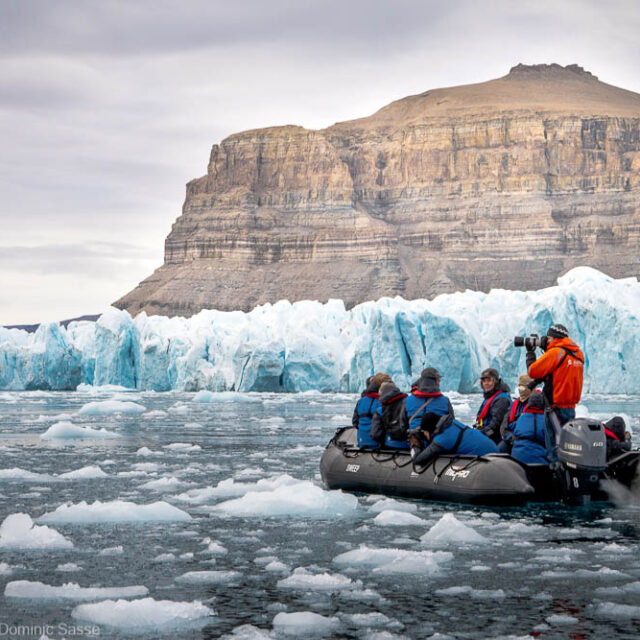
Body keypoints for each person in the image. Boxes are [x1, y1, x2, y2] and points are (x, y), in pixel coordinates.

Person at [527, 324, 585, 462]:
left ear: (553, 338)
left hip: (555, 409)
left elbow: (532, 371)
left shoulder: (556, 353)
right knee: (567, 447)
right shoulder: (577, 354)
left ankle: (555, 477)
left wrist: (530, 352)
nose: (546, 341)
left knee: (554, 450)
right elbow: (557, 373)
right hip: (570, 408)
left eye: (548, 338)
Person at [413, 411, 499, 467]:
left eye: (424, 432)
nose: (424, 434)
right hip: (496, 452)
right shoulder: (453, 423)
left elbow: (417, 460)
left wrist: (415, 445)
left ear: (429, 430)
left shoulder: (442, 440)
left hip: (485, 461)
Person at [352, 373, 391, 448]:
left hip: (362, 441)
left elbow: (355, 422)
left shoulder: (361, 401)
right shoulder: (383, 402)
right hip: (379, 444)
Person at [500, 373, 536, 452]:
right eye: (519, 386)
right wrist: (510, 438)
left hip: (527, 440)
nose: (520, 389)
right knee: (500, 449)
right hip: (512, 439)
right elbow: (504, 426)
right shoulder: (514, 404)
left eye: (523, 387)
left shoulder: (536, 404)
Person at [509, 391, 548, 464]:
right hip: (539, 462)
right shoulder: (546, 421)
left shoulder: (521, 418)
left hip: (516, 460)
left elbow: (513, 429)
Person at [475, 368, 511, 444]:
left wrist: (481, 434)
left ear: (495, 382)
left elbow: (496, 424)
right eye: (484, 381)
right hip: (488, 435)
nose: (486, 383)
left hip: (495, 439)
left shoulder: (501, 399)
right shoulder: (489, 397)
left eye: (489, 380)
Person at [370, 380, 409, 449]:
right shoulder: (407, 403)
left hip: (389, 445)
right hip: (407, 445)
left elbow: (375, 434)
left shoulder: (380, 410)